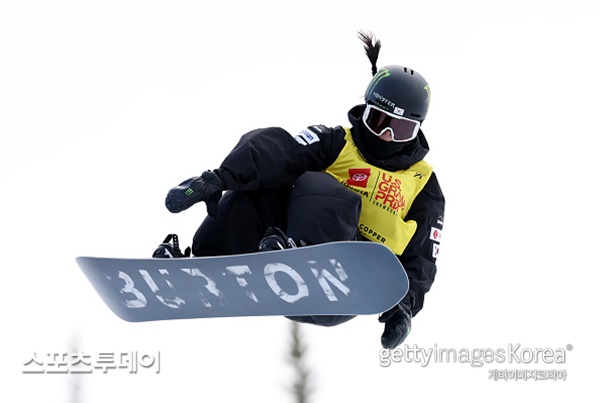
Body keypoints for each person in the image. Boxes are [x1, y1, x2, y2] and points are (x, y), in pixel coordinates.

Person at [153, 31, 445, 349]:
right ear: (365, 112)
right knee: (261, 187)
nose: (386, 135)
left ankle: (302, 258)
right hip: (290, 246)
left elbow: (424, 255)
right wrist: (221, 178)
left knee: (326, 188)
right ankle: (201, 263)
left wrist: (405, 306)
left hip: (350, 277)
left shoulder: (423, 182)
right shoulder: (337, 142)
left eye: (401, 129)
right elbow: (280, 150)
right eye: (377, 121)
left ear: (417, 130)